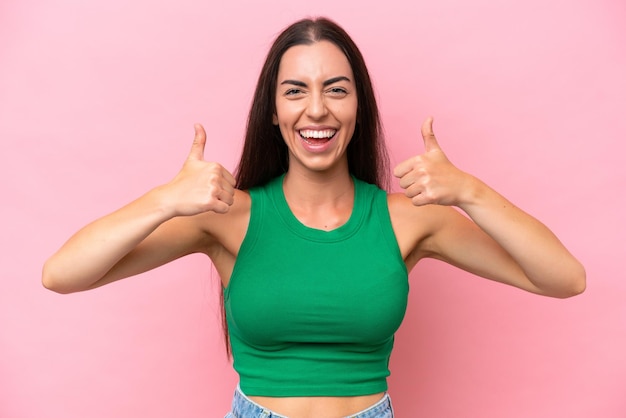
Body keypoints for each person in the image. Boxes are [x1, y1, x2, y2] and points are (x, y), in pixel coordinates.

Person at [42, 17, 585, 418]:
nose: (317, 110)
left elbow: (564, 278)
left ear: (358, 107)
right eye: (295, 91)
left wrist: (469, 191)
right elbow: (63, 274)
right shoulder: (229, 216)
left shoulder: (406, 221)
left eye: (336, 90)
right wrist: (164, 198)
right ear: (273, 112)